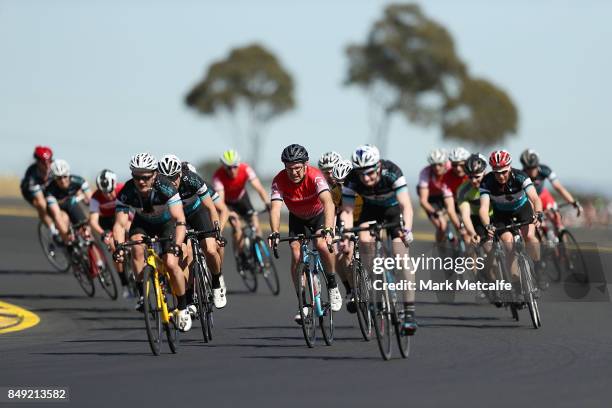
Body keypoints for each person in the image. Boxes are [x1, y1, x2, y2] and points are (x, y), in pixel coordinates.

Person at [339, 145, 417, 335]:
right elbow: (347, 211)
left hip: (393, 212)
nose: (366, 178)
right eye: (361, 174)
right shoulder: (351, 179)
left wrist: (407, 228)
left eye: (370, 173)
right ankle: (377, 290)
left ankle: (409, 313)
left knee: (401, 257)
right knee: (364, 242)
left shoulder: (392, 172)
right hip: (371, 211)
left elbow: (406, 205)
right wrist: (346, 236)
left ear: (379, 166)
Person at [112, 153, 192, 332]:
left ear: (155, 174)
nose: (141, 181)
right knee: (136, 247)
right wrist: (118, 246)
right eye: (137, 177)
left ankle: (183, 306)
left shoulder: (166, 187)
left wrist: (177, 245)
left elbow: (180, 220)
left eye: (146, 177)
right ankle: (142, 294)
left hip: (167, 224)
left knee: (171, 263)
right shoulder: (127, 191)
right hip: (143, 224)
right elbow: (119, 224)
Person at [267, 144, 343, 323]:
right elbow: (275, 209)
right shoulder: (279, 181)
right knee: (296, 254)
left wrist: (329, 229)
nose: (293, 172)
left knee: (322, 245)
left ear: (306, 164)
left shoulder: (315, 176)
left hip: (318, 217)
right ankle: (303, 304)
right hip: (297, 219)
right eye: (289, 169)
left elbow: (328, 202)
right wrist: (275, 232)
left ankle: (332, 285)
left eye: (297, 168)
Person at [158, 154, 227, 309]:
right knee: (182, 255)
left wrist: (217, 231)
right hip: (179, 220)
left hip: (197, 213)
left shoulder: (192, 179)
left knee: (210, 249)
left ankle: (216, 281)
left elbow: (211, 207)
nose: (172, 182)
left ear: (180, 173)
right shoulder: (159, 188)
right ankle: (188, 297)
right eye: (167, 178)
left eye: (175, 177)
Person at [479, 150, 543, 288]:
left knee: (530, 236)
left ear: (510, 167)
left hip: (522, 209)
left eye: (504, 171)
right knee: (509, 245)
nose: (501, 176)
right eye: (497, 172)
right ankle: (516, 284)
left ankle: (538, 269)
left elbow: (535, 198)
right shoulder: (486, 182)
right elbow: (484, 208)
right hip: (501, 215)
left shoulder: (520, 176)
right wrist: (487, 225)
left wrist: (538, 213)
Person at [212, 149, 270, 269]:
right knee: (237, 228)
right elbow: (221, 201)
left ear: (239, 164)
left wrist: (267, 203)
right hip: (227, 203)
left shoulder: (246, 169)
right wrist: (229, 213)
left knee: (255, 223)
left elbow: (259, 188)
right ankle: (241, 256)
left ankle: (257, 250)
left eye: (234, 166)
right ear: (223, 167)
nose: (232, 170)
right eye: (228, 167)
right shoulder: (218, 177)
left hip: (242, 198)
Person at [89, 169, 132, 298]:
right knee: (115, 248)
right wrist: (103, 233)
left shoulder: (122, 189)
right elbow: (93, 221)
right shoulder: (95, 197)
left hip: (124, 217)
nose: (107, 195)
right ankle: (124, 283)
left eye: (110, 191)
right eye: (104, 193)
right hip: (106, 223)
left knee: (132, 231)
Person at [520, 149, 582, 230]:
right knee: (538, 224)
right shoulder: (521, 175)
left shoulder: (545, 170)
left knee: (556, 217)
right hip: (530, 199)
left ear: (538, 164)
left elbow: (559, 187)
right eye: (528, 168)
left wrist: (573, 202)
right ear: (524, 167)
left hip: (543, 195)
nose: (531, 171)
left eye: (534, 167)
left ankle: (561, 236)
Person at [417, 149, 462, 243]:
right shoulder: (425, 172)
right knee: (442, 226)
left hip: (449, 196)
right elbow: (423, 201)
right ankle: (440, 247)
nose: (437, 168)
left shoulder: (451, 168)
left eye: (440, 164)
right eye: (433, 165)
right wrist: (435, 212)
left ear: (445, 163)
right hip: (432, 200)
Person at [44, 159, 92, 246]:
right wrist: (67, 235)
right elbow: (57, 215)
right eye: (59, 178)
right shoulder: (50, 191)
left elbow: (92, 201)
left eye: (65, 176)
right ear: (54, 178)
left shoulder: (78, 181)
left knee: (86, 231)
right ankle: (68, 244)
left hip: (71, 204)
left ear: (69, 174)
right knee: (64, 219)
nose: (62, 180)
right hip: (59, 208)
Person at [20, 146, 55, 233]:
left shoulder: (55, 167)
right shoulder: (31, 175)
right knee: (41, 204)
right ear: (38, 162)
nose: (47, 165)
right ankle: (53, 230)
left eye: (49, 161)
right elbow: (39, 197)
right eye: (44, 163)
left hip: (46, 188)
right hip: (30, 192)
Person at [456, 154, 489, 244]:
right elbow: (465, 216)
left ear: (485, 172)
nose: (473, 180)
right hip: (477, 219)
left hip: (497, 216)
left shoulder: (494, 183)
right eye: (470, 177)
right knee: (488, 247)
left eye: (477, 177)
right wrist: (473, 233)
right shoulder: (463, 190)